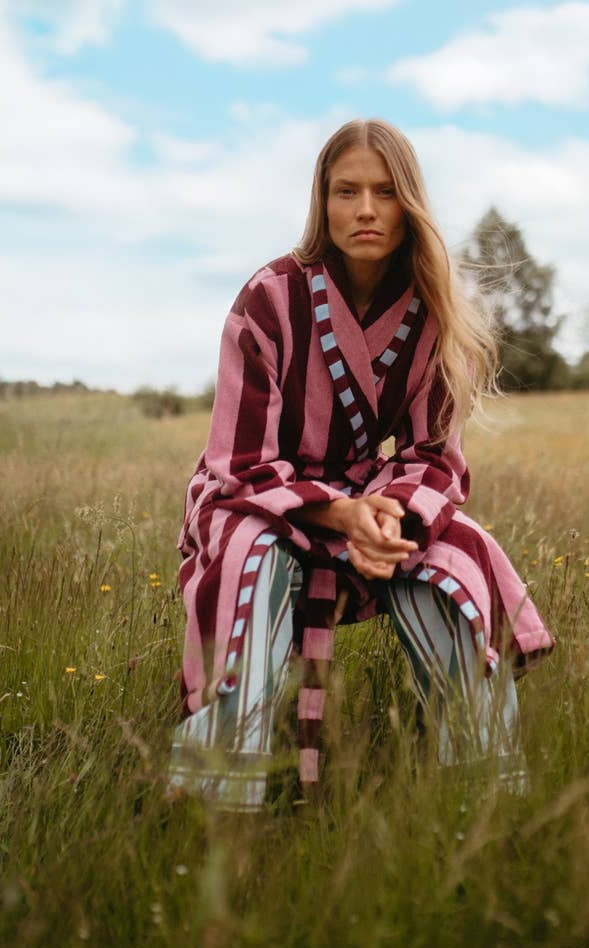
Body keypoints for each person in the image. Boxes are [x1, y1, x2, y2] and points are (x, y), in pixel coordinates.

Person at [168, 119, 553, 810]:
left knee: (455, 558)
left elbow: (432, 456)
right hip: (257, 496)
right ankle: (221, 790)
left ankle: (483, 790)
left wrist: (387, 519)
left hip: (370, 501)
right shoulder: (271, 297)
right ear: (323, 200)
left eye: (384, 192)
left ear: (411, 204)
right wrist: (338, 511)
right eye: (346, 191)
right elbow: (240, 461)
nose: (366, 210)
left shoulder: (432, 310)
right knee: (251, 556)